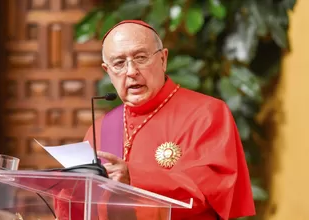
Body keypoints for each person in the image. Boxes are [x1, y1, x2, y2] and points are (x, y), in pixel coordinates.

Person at [80, 20, 255, 220]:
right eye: (119, 63)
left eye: (141, 57)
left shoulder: (206, 113)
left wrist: (134, 176)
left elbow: (210, 190)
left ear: (163, 59)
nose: (131, 71)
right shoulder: (102, 128)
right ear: (108, 71)